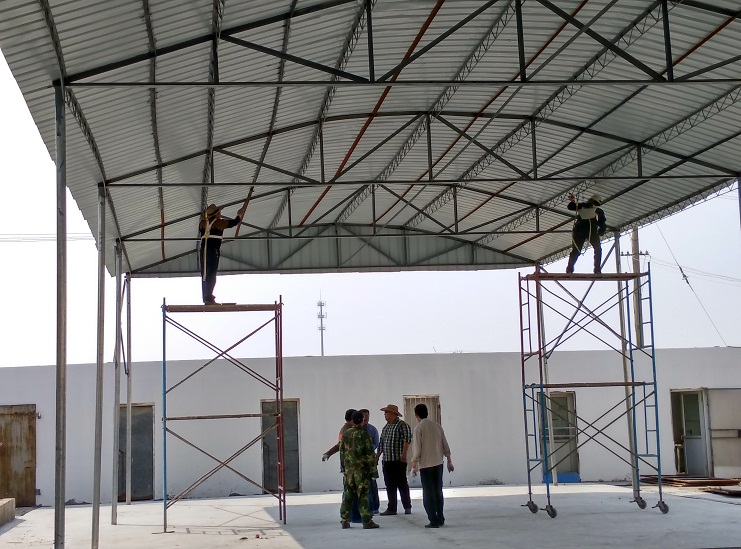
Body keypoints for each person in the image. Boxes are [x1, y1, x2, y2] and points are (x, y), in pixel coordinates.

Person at [410, 403, 453, 528]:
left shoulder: (418, 429)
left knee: (428, 494)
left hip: (426, 465)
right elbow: (445, 445)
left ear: (416, 415)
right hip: (438, 463)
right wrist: (449, 460)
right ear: (427, 413)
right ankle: (440, 517)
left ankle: (433, 520)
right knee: (438, 491)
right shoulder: (437, 426)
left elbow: (417, 449)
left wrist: (414, 464)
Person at [198, 200, 248, 305]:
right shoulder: (219, 223)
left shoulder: (202, 224)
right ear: (216, 214)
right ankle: (208, 298)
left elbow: (203, 223)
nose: (220, 214)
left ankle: (206, 297)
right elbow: (234, 223)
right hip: (212, 251)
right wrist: (239, 215)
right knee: (212, 274)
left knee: (205, 274)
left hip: (203, 251)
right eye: (219, 213)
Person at [339, 411, 380, 529]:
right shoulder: (365, 434)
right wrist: (374, 471)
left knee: (348, 496)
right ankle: (367, 521)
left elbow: (342, 451)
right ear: (362, 420)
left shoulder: (346, 433)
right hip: (361, 471)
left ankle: (345, 520)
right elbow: (369, 454)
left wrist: (343, 467)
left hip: (349, 471)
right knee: (363, 496)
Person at [377, 404, 413, 516]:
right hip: (387, 460)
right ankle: (392, 508)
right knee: (389, 485)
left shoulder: (402, 425)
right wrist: (377, 456)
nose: (385, 415)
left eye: (386, 412)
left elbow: (407, 440)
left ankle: (407, 506)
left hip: (398, 460)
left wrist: (404, 455)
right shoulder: (386, 427)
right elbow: (381, 444)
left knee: (402, 484)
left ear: (393, 413)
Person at [566, 193, 607, 274]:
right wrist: (573, 201)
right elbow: (571, 206)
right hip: (582, 230)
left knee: (596, 250)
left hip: (588, 231)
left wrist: (601, 231)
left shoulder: (597, 211)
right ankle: (570, 269)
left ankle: (596, 269)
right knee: (577, 251)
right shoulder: (583, 206)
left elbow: (602, 223)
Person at [359, 408, 381, 515]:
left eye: (367, 416)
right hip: (359, 462)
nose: (365, 418)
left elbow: (376, 443)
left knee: (372, 484)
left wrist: (368, 449)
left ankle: (375, 507)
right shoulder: (354, 430)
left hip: (370, 460)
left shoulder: (372, 429)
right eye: (363, 416)